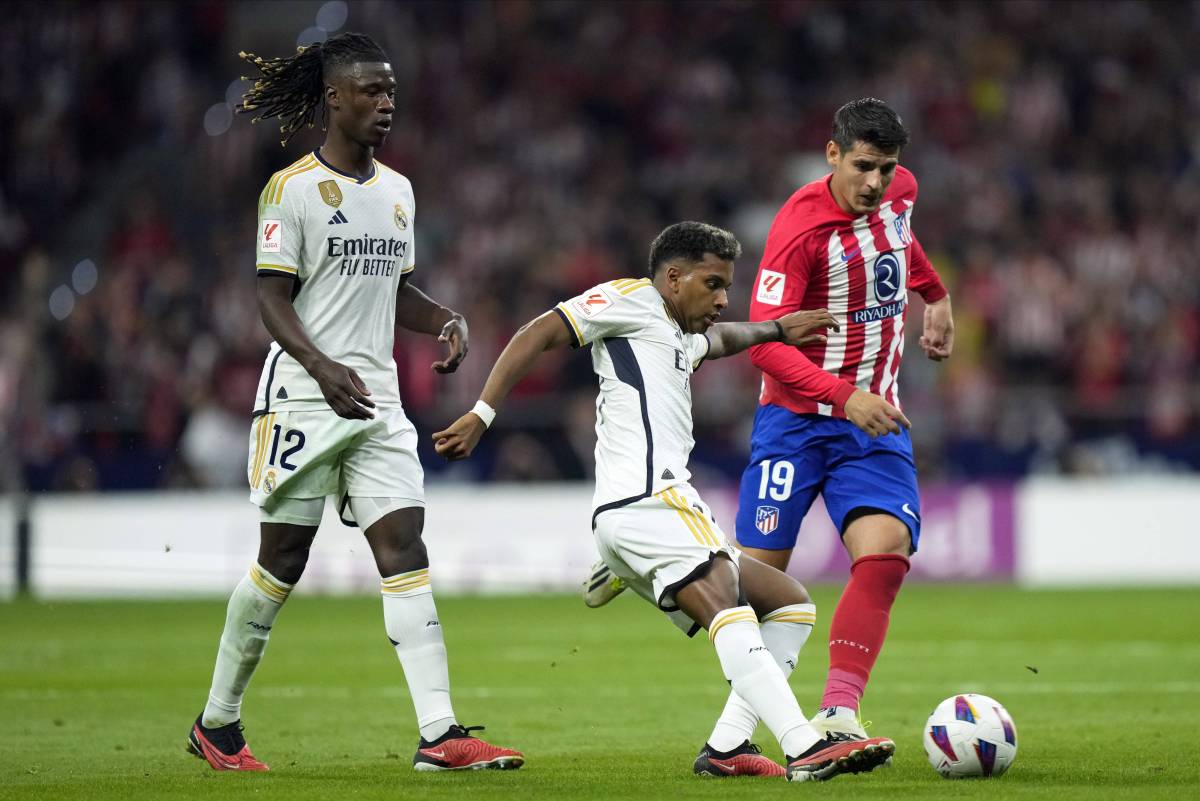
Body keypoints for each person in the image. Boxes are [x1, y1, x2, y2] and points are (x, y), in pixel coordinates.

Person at [434, 222, 895, 782]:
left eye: (727, 287)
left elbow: (722, 341)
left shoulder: (679, 336)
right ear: (673, 278)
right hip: (650, 501)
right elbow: (538, 332)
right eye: (713, 284)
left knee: (791, 605)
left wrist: (776, 328)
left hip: (638, 514)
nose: (722, 299)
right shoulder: (630, 299)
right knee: (728, 604)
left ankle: (727, 745)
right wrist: (482, 414)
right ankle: (803, 745)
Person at [186, 32, 522, 773]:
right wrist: (319, 364)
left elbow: (392, 288)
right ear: (334, 98)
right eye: (371, 90)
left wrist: (445, 318)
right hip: (303, 400)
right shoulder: (291, 189)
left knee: (405, 547)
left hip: (376, 402)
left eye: (391, 90)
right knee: (281, 561)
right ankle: (218, 722)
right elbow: (271, 298)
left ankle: (440, 733)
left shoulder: (399, 191)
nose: (386, 102)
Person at [735, 97, 954, 743]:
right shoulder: (798, 231)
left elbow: (899, 244)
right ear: (832, 154)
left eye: (886, 168)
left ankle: (836, 712)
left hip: (872, 422)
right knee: (750, 592)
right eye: (862, 166)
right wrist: (843, 395)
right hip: (795, 422)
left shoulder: (900, 191)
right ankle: (655, 563)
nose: (875, 182)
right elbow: (763, 344)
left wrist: (936, 293)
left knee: (885, 551)